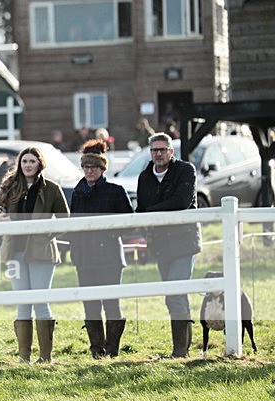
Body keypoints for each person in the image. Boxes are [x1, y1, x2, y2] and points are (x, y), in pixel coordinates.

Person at [0, 146, 70, 364]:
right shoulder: (10, 187)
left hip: (41, 252)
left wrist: (46, 234)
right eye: (24, 161)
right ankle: (23, 357)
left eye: (32, 161)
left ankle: (45, 357)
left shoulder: (52, 188)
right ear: (20, 164)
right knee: (22, 302)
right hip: (14, 251)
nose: (28, 165)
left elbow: (65, 219)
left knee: (40, 301)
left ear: (39, 163)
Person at [136, 132, 202, 358]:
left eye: (163, 149)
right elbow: (141, 208)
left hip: (184, 242)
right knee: (173, 295)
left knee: (175, 294)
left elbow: (181, 202)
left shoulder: (185, 171)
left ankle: (180, 351)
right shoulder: (145, 176)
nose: (158, 154)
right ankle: (182, 349)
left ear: (171, 151)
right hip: (160, 244)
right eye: (154, 150)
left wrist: (150, 213)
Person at [68, 140, 133, 358]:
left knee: (111, 304)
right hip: (84, 257)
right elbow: (73, 225)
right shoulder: (77, 192)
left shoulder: (115, 191)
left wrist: (107, 234)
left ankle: (112, 350)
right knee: (90, 305)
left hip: (110, 257)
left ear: (102, 168)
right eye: (86, 167)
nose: (89, 171)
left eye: (93, 167)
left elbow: (129, 223)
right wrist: (75, 251)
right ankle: (97, 350)